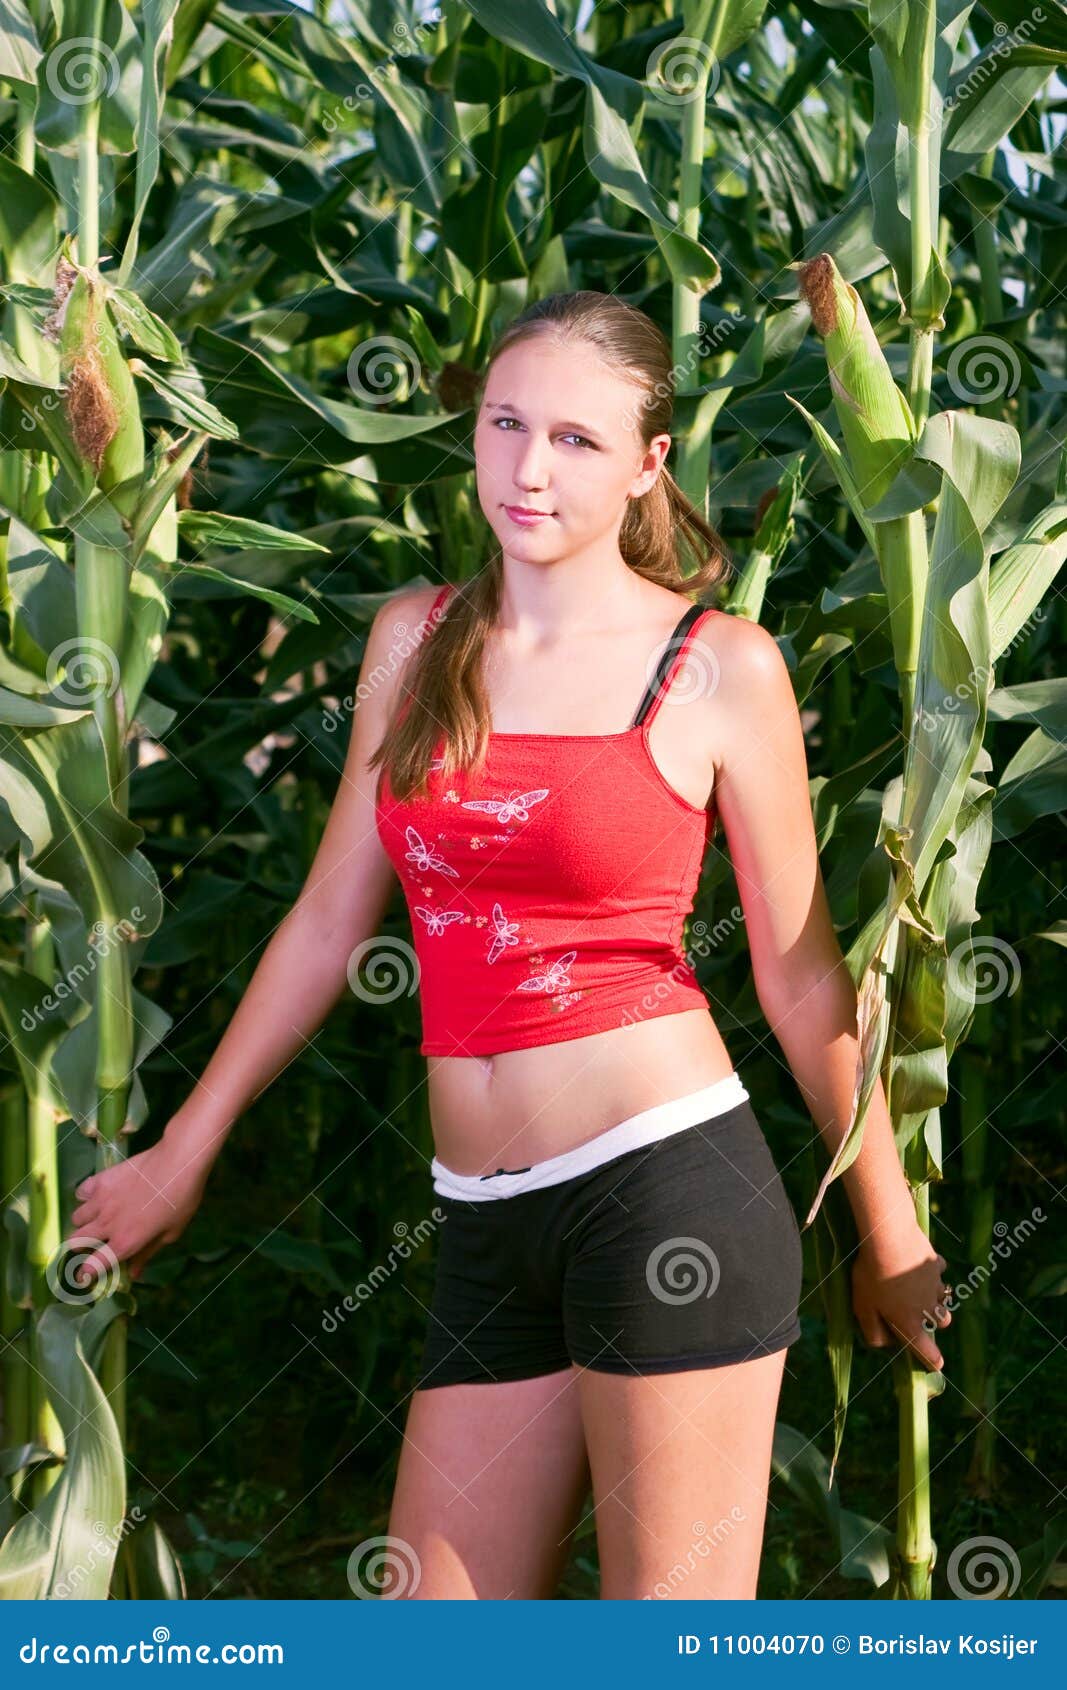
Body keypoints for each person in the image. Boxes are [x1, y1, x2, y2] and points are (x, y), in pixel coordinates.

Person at [64, 290, 953, 1600]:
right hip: (481, 1218)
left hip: (664, 1191)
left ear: (652, 461)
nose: (528, 469)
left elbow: (802, 967)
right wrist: (180, 1156)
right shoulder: (415, 641)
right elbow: (324, 923)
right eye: (505, 424)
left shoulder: (719, 666)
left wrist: (887, 1223)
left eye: (579, 441)